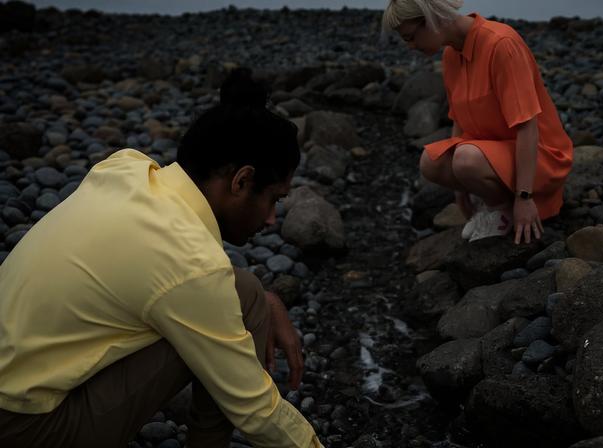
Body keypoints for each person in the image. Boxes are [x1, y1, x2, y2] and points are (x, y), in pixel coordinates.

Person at [0, 68, 323, 448]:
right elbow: (255, 409)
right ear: (241, 181)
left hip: (16, 387)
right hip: (26, 428)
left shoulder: (125, 167)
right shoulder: (190, 260)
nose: (272, 218)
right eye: (274, 199)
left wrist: (265, 302)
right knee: (220, 323)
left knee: (246, 292)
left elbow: (174, 274)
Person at [382, 0, 574, 243]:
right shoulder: (452, 54)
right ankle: (495, 204)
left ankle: (504, 210)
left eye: (410, 37)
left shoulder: (500, 44)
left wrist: (524, 198)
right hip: (496, 154)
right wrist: (461, 187)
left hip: (540, 156)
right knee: (430, 161)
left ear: (433, 19)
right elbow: (459, 122)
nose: (410, 46)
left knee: (465, 159)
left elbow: (527, 126)